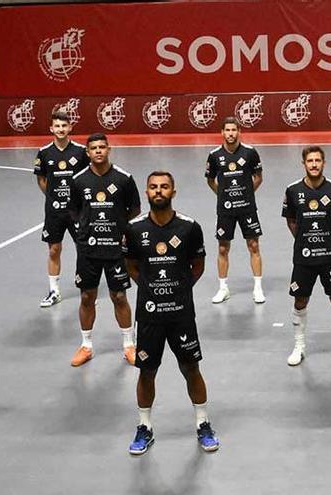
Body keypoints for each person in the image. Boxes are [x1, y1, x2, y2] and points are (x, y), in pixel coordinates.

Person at [124, 171, 219, 455]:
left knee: (191, 368)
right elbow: (131, 265)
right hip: (150, 316)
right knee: (146, 372)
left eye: (164, 187)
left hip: (181, 315)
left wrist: (179, 290)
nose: (158, 191)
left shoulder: (189, 228)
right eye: (153, 187)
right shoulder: (133, 229)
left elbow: (198, 266)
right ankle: (145, 427)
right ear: (146, 191)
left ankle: (203, 423)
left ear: (173, 192)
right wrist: (151, 288)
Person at [67, 133, 140, 367]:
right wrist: (85, 227)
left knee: (119, 296)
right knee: (87, 296)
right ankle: (86, 345)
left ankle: (129, 345)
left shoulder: (124, 179)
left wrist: (119, 228)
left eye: (102, 147)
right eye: (93, 148)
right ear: (87, 152)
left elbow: (135, 208)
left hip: (116, 249)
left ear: (109, 149)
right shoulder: (78, 180)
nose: (98, 151)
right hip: (88, 249)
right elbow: (74, 209)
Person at [282, 146, 331, 366]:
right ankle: (299, 346)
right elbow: (291, 220)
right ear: (303, 163)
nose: (314, 164)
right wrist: (302, 238)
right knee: (300, 299)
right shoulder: (292, 190)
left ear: (324, 163)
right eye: (310, 160)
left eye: (318, 160)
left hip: (330, 256)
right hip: (303, 258)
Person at [205, 117, 266, 304]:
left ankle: (258, 288)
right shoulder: (214, 155)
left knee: (254, 246)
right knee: (223, 247)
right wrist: (223, 196)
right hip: (225, 210)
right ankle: (223, 288)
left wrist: (247, 194)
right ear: (222, 132)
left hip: (247, 208)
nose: (231, 133)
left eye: (234, 130)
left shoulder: (250, 153)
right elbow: (210, 180)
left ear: (239, 131)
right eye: (227, 130)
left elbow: (258, 178)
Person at [34, 111, 89, 307]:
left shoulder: (81, 152)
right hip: (54, 212)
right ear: (51, 129)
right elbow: (41, 179)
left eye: (64, 126)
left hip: (77, 211)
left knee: (82, 248)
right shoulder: (44, 152)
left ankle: (86, 289)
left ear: (70, 128)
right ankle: (54, 291)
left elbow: (88, 178)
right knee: (54, 249)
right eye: (57, 126)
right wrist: (52, 197)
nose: (60, 129)